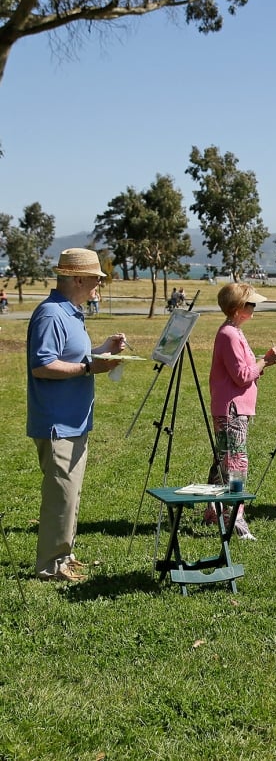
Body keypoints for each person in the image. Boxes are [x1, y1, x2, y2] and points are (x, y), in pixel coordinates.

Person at [26, 248, 125, 582]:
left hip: (75, 421)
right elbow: (42, 366)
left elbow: (75, 355)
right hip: (57, 423)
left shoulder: (72, 313)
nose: (99, 285)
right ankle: (50, 567)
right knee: (61, 496)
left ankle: (64, 555)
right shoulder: (51, 314)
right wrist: (89, 366)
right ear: (78, 278)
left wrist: (101, 350)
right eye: (96, 279)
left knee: (70, 494)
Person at [207, 282, 276, 539]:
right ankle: (235, 522)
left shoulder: (233, 332)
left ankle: (213, 513)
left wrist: (263, 363)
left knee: (223, 460)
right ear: (238, 308)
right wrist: (266, 360)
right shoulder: (229, 334)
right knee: (236, 464)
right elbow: (242, 375)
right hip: (232, 410)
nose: (254, 308)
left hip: (233, 408)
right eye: (251, 304)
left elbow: (245, 369)